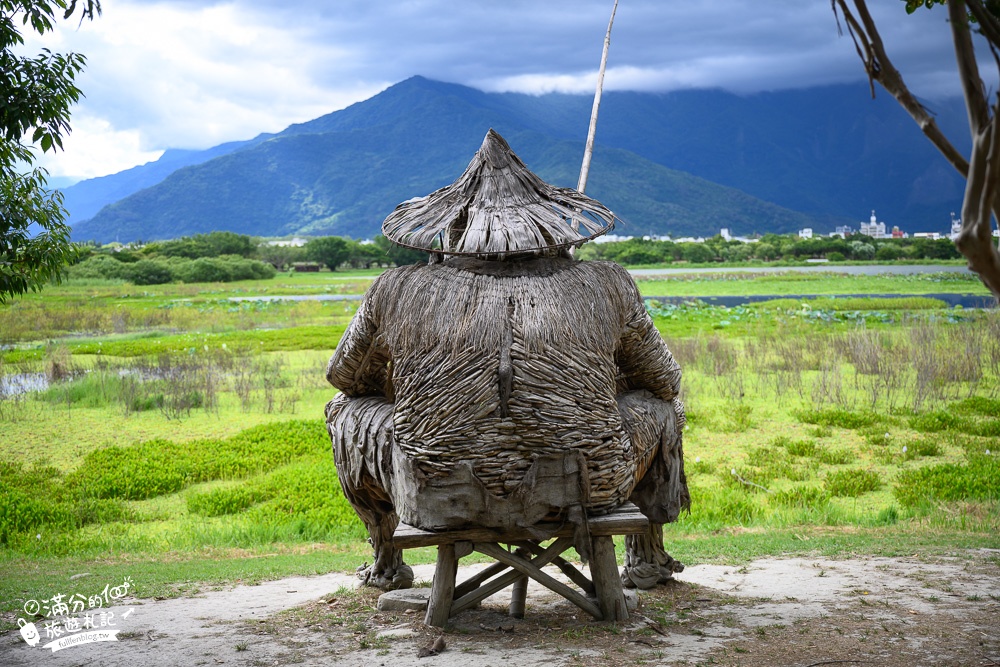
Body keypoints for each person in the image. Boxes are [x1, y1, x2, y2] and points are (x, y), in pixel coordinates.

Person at [326, 129, 688, 591]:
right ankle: (649, 558)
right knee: (664, 410)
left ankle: (385, 560)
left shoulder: (396, 287)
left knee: (344, 412)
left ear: (452, 229)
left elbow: (345, 378)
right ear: (548, 229)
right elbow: (663, 379)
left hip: (436, 488)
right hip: (588, 485)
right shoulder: (607, 283)